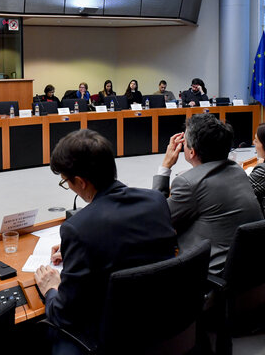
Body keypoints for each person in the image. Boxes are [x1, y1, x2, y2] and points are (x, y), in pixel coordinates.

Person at [34, 130, 176, 353]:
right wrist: (79, 248)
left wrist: (52, 288)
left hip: (109, 337)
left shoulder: (77, 228)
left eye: (66, 182)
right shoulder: (156, 201)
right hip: (164, 322)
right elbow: (128, 243)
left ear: (80, 182)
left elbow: (64, 314)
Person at [152, 114, 262, 275]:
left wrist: (165, 167)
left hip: (213, 273)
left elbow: (158, 219)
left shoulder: (188, 183)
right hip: (250, 266)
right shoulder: (237, 170)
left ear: (192, 152)